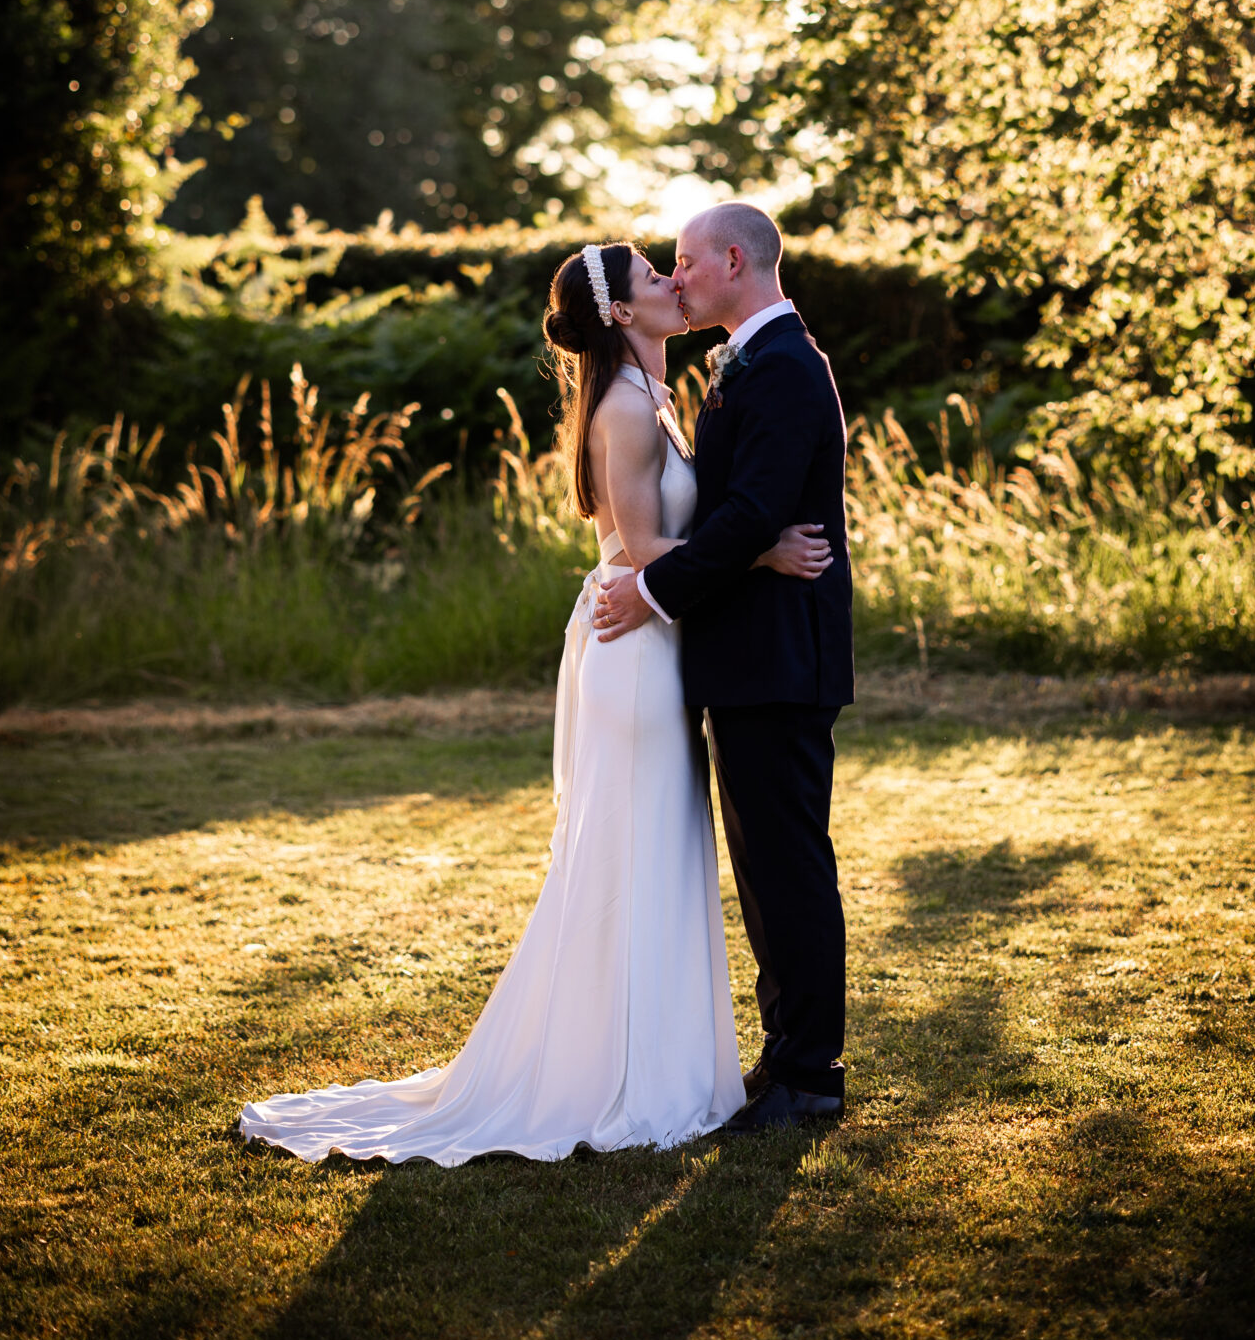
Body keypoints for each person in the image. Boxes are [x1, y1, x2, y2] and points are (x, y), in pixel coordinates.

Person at [238, 241, 829, 1165]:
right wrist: (760, 553)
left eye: (675, 267)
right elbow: (638, 550)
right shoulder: (629, 408)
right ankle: (612, 1075)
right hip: (633, 648)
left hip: (659, 645)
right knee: (632, 852)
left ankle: (654, 1061)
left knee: (657, 851)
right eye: (654, 276)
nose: (674, 283)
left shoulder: (656, 396)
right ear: (624, 315)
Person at [595, 204, 854, 1133]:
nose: (677, 277)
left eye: (685, 261)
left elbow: (748, 513)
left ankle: (809, 1077)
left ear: (732, 261)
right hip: (749, 656)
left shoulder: (783, 365)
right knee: (767, 868)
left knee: (787, 867)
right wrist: (723, 558)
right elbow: (740, 522)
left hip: (778, 659)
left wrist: (654, 593)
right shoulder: (744, 360)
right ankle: (785, 1057)